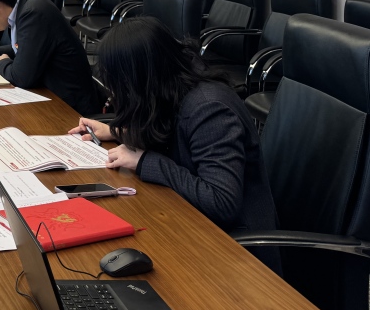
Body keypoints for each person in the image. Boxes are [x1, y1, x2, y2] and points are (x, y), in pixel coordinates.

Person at [68, 17, 280, 274]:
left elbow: (221, 202)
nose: (113, 96)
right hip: (192, 221)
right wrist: (116, 131)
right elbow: (174, 135)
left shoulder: (210, 109)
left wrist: (145, 161)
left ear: (141, 78)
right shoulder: (173, 88)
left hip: (238, 254)